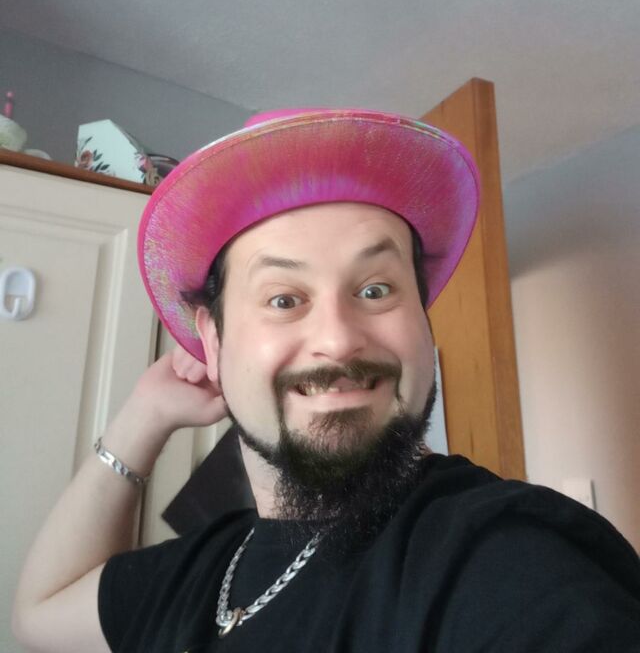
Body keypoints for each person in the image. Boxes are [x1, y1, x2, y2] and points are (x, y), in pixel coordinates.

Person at [12, 108, 640, 652]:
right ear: (213, 341)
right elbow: (38, 614)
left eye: (376, 289)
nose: (339, 339)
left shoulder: (505, 561)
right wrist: (143, 416)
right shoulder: (205, 569)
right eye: (284, 299)